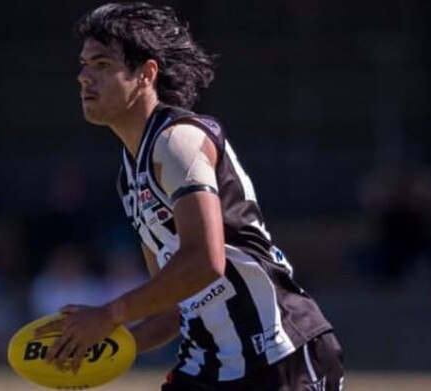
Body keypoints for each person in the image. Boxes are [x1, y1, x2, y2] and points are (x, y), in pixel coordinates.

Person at [35, 3, 344, 390]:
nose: (83, 77)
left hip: (279, 356)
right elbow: (171, 306)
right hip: (206, 366)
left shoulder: (178, 141)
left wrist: (108, 315)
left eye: (101, 65)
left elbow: (204, 262)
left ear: (146, 74)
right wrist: (103, 345)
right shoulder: (129, 176)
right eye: (83, 65)